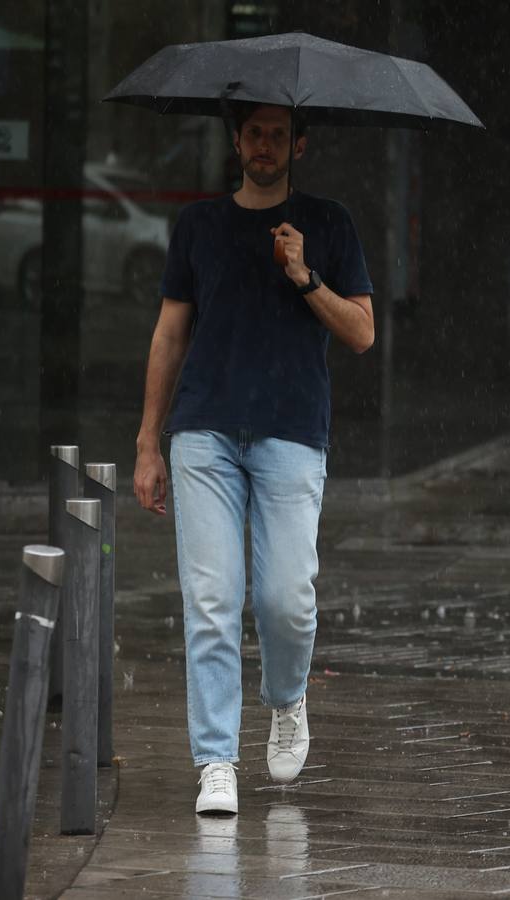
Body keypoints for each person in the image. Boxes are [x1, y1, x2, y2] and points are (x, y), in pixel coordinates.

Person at [132, 102, 374, 815]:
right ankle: (215, 761)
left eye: (277, 134)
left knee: (285, 600)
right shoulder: (199, 224)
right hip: (203, 428)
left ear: (298, 143)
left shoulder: (328, 222)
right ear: (235, 140)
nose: (264, 145)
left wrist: (304, 274)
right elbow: (169, 335)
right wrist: (150, 440)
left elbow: (361, 333)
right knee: (211, 601)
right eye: (253, 133)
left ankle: (286, 697)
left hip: (291, 431)